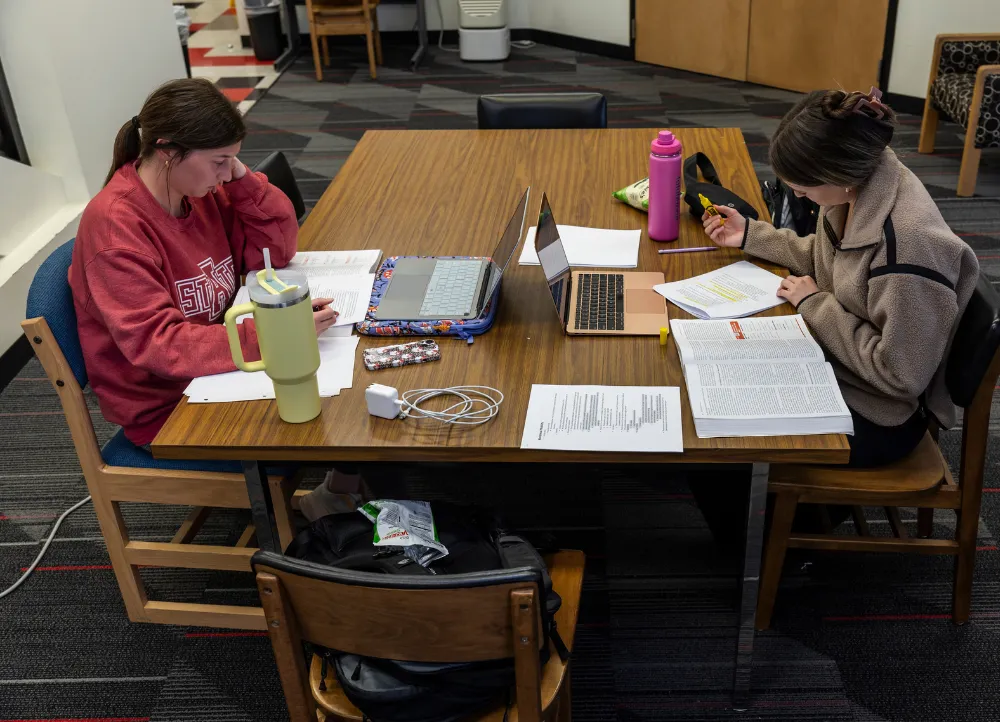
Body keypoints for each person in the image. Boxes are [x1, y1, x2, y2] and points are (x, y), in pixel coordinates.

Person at [692, 88, 980, 541]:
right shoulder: (860, 188)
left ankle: (772, 556)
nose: (794, 193)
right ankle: (762, 533)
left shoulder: (909, 249)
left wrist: (815, 305)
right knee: (714, 383)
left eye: (803, 187)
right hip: (840, 367)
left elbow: (901, 374)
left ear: (839, 176)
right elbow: (831, 261)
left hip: (881, 413)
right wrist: (751, 234)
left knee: (722, 438)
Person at [69, 78, 359, 519]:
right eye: (220, 162)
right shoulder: (116, 230)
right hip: (168, 405)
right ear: (167, 152)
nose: (227, 174)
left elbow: (275, 250)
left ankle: (339, 496)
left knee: (346, 379)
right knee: (340, 409)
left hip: (213, 370)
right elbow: (158, 344)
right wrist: (276, 335)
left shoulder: (195, 190)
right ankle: (326, 521)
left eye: (233, 160)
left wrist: (238, 176)